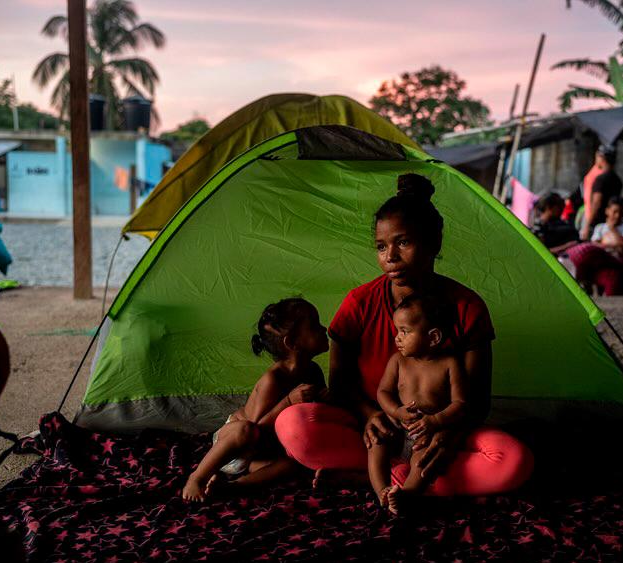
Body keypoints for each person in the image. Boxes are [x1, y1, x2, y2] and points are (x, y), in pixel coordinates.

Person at [275, 173, 534, 498]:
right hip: (373, 431)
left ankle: (375, 480)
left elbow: (476, 401)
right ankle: (410, 481)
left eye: (404, 242)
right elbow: (341, 386)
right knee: (293, 425)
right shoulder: (360, 302)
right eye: (381, 246)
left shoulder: (467, 307)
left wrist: (448, 433)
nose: (390, 256)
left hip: (437, 431)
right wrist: (371, 417)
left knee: (513, 461)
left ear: (434, 243)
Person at [181, 298, 329, 502]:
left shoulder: (313, 371)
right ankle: (197, 477)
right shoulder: (274, 379)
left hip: (259, 455)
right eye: (315, 326)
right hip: (235, 447)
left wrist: (324, 399)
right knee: (245, 429)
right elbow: (258, 429)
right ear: (292, 343)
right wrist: (288, 401)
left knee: (295, 464)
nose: (325, 329)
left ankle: (234, 487)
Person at [370, 294, 467, 514]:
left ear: (433, 337)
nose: (397, 338)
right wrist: (396, 411)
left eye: (404, 331)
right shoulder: (397, 361)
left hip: (427, 432)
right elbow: (383, 392)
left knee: (423, 457)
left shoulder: (450, 364)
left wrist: (435, 420)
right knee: (376, 442)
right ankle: (382, 490)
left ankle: (408, 494)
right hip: (400, 426)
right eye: (397, 331)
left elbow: (461, 403)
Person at [581, 145, 623, 241]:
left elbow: (596, 203)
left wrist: (587, 225)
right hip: (609, 223)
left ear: (601, 158)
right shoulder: (617, 180)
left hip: (596, 223)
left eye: (597, 156)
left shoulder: (600, 179)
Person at [591, 196, 623, 261]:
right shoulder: (599, 227)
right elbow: (594, 245)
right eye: (615, 212)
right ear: (607, 211)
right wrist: (613, 246)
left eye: (621, 212)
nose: (617, 216)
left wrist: (612, 229)